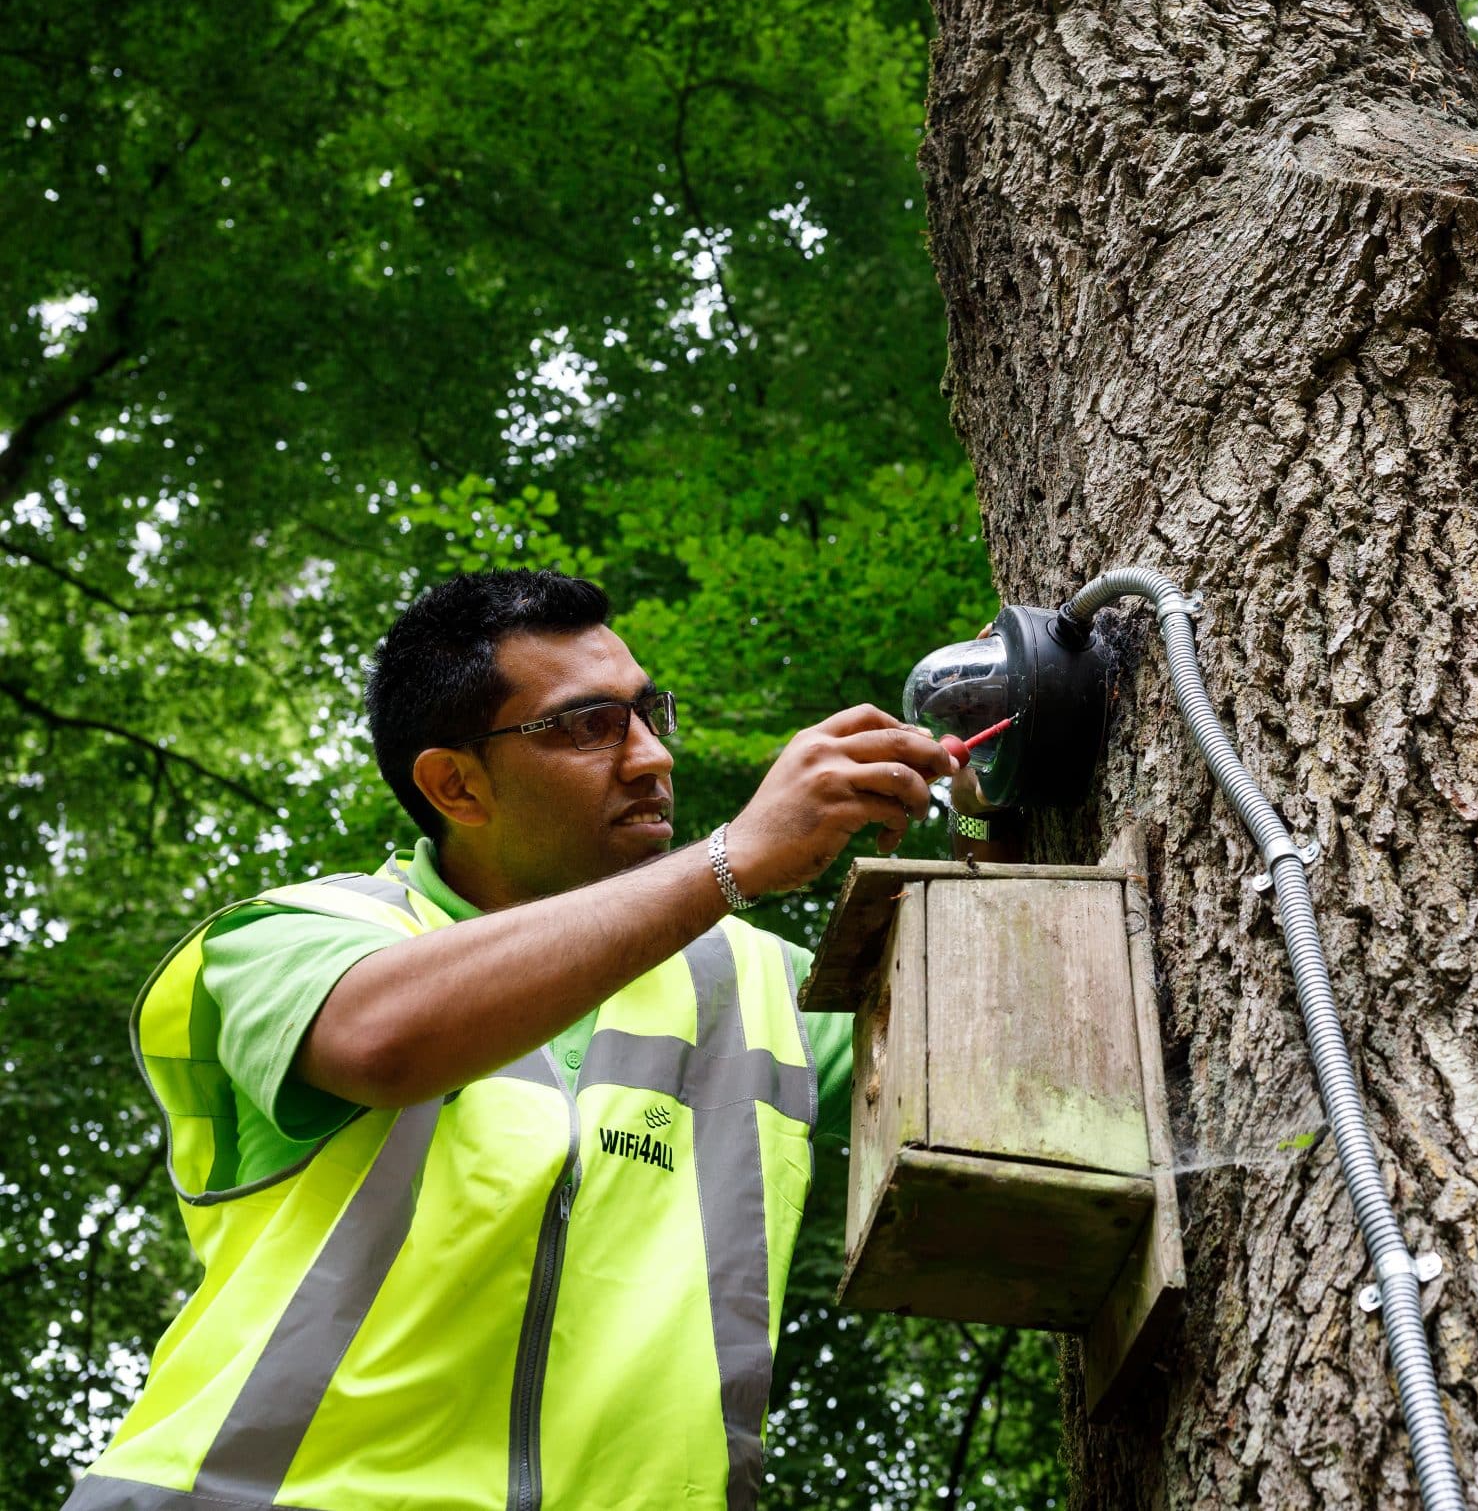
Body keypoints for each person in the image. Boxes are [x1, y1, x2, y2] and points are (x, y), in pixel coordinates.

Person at [66, 569, 956, 1511]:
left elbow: (986, 1062)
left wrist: (984, 812)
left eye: (649, 712)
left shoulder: (759, 983)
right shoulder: (295, 934)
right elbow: (383, 1042)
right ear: (456, 784)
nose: (652, 756)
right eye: (589, 724)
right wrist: (732, 860)